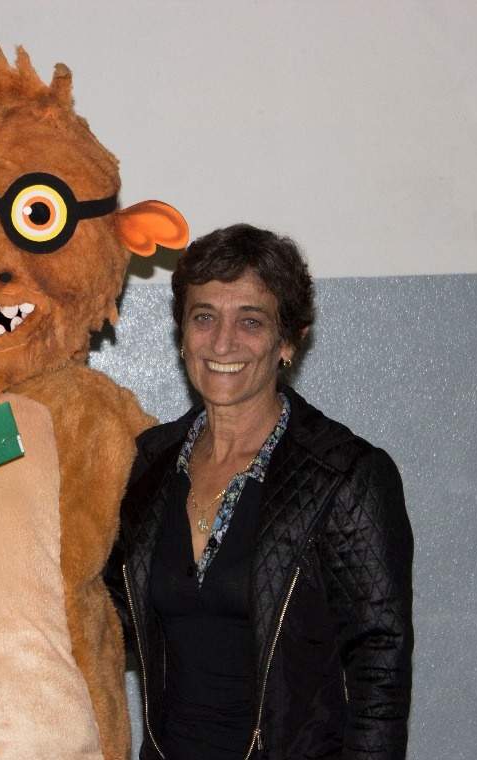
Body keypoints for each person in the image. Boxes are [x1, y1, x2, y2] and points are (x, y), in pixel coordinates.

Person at [106, 224, 414, 759]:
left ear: (288, 340)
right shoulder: (146, 465)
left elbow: (379, 671)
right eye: (204, 317)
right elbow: (106, 616)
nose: (223, 342)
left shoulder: (345, 475)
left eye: (250, 320)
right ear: (182, 332)